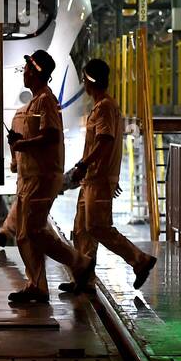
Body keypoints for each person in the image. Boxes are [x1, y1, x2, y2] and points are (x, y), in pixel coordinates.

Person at [6, 49, 95, 304]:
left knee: (34, 230)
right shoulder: (35, 102)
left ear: (35, 73)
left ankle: (80, 263)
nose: (23, 73)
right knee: (23, 234)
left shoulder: (46, 100)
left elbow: (51, 135)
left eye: (26, 70)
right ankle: (36, 285)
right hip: (28, 177)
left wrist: (22, 145)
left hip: (42, 177)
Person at [61, 59, 156, 293]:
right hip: (93, 179)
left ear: (90, 80)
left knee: (98, 227)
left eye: (84, 78)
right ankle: (84, 277)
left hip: (97, 178)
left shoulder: (104, 107)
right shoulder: (103, 105)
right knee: (82, 229)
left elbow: (105, 141)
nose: (83, 83)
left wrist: (84, 164)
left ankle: (139, 260)